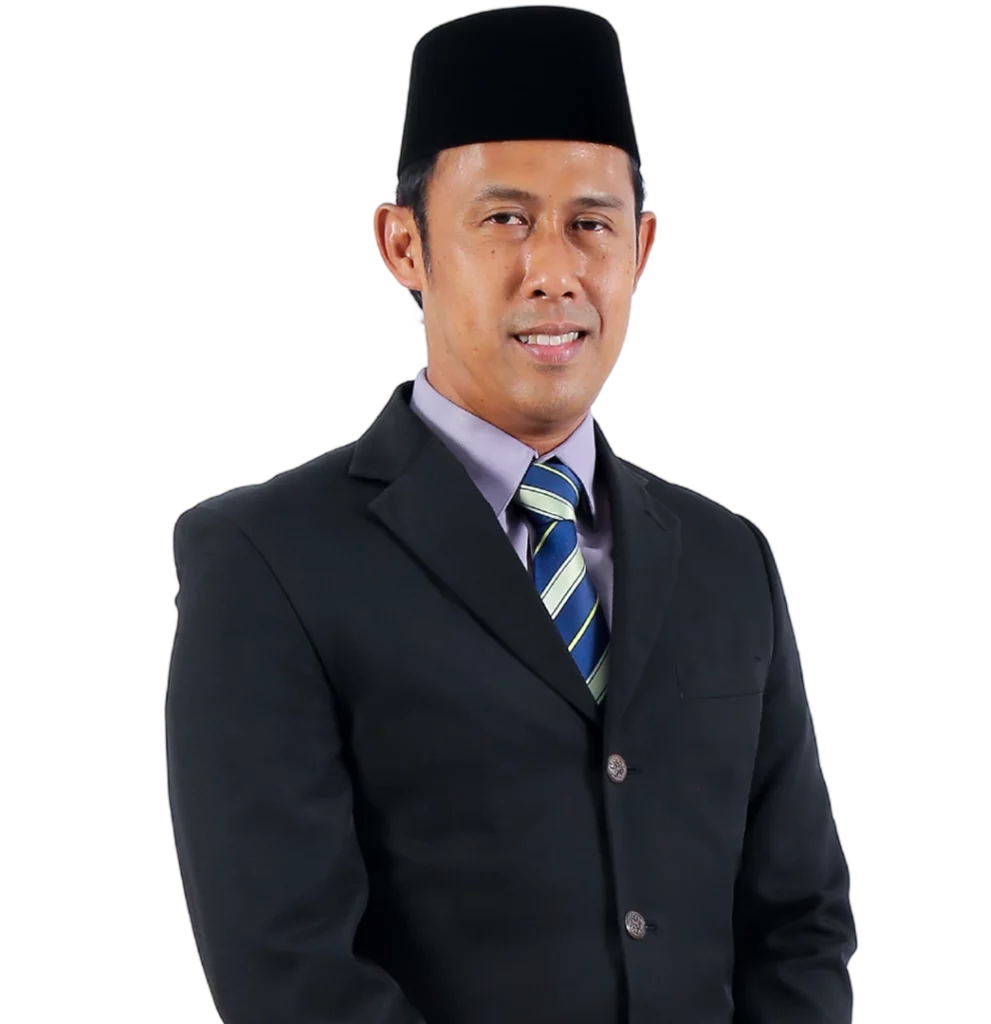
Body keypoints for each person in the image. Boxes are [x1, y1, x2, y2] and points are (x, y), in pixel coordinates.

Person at [165, 7, 857, 1022]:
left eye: (591, 223)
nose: (554, 272)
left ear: (643, 247)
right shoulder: (267, 559)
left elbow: (800, 921)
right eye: (504, 220)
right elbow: (290, 974)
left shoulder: (727, 555)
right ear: (403, 245)